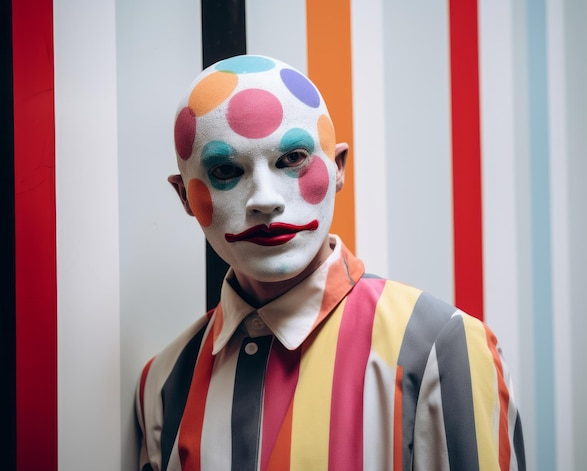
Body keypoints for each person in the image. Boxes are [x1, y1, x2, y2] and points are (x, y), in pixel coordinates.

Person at [136, 54, 525, 471]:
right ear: (184, 197)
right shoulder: (165, 381)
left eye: (292, 159)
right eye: (226, 169)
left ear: (337, 168)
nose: (265, 200)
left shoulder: (440, 348)